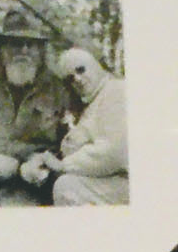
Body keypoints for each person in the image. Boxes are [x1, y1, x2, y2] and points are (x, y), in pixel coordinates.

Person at [0, 13, 69, 205]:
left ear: (41, 51)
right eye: (15, 43)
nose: (24, 50)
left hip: (35, 193)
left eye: (31, 44)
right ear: (2, 49)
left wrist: (41, 163)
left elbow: (71, 144)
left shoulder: (58, 91)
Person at [19, 45, 128, 206]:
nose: (76, 79)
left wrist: (63, 165)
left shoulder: (116, 91)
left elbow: (112, 152)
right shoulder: (92, 102)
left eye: (81, 70)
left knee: (67, 187)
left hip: (126, 181)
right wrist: (46, 160)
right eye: (70, 78)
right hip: (107, 178)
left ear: (95, 66)